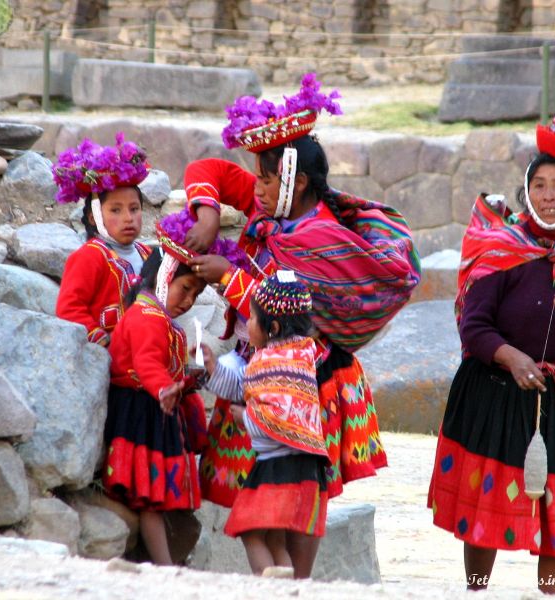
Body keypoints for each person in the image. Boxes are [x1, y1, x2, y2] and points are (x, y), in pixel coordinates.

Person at [183, 73, 421, 575]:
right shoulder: (272, 208)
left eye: (266, 179)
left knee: (304, 495)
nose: (258, 188)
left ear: (298, 181)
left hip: (313, 383)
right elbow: (207, 168)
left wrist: (229, 277)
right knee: (263, 489)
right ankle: (282, 580)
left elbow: (293, 316)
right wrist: (205, 212)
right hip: (265, 372)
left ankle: (300, 582)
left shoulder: (320, 237)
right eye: (259, 178)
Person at [428, 113, 555, 595]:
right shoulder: (503, 248)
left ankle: (552, 596)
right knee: (484, 516)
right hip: (495, 397)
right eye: (539, 185)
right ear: (527, 191)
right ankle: (477, 588)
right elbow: (473, 325)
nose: (548, 195)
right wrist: (513, 358)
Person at [102, 224, 208, 566]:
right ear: (163, 277)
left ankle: (163, 563)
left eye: (195, 294)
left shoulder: (158, 318)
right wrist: (164, 388)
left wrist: (187, 381)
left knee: (153, 495)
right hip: (141, 412)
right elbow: (147, 363)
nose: (189, 300)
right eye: (185, 288)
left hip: (153, 408)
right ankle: (164, 566)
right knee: (149, 495)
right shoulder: (146, 318)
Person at [219, 271, 329, 579]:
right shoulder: (303, 354)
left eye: (252, 318)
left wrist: (245, 419)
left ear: (274, 327)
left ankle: (272, 588)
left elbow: (277, 418)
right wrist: (212, 371)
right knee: (274, 538)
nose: (247, 325)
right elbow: (249, 388)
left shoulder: (270, 361)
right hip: (306, 467)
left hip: (279, 465)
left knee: (250, 531)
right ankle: (289, 587)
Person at [53, 133, 151, 347]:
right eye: (115, 210)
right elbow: (69, 309)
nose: (128, 218)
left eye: (134, 209)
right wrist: (101, 340)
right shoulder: (90, 256)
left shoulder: (148, 254)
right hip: (108, 354)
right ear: (93, 217)